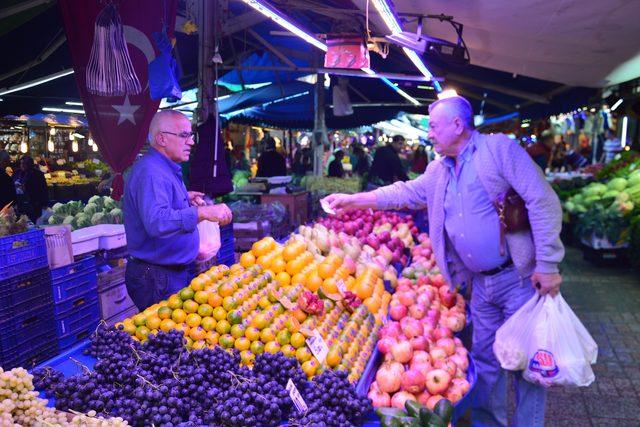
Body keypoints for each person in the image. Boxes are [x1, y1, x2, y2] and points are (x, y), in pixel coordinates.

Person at [324, 96, 563, 427]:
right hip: (480, 284)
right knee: (485, 361)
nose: (429, 133)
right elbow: (404, 193)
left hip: (517, 278)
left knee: (526, 366)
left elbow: (542, 199)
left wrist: (548, 263)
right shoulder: (439, 170)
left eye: (433, 126)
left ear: (457, 125)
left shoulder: (498, 151)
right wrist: (355, 201)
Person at [123, 110, 233, 311]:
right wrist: (202, 213)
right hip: (157, 276)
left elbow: (160, 207)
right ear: (161, 139)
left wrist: (183, 197)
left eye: (192, 135)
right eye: (184, 135)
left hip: (165, 273)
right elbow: (157, 222)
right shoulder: (152, 172)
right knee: (165, 339)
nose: (191, 142)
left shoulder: (163, 167)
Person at [13, 156, 48, 222]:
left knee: (34, 220)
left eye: (24, 164)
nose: (22, 165)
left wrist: (44, 203)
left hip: (34, 203)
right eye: (21, 163)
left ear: (30, 164)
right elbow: (12, 186)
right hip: (20, 202)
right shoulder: (17, 173)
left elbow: (44, 189)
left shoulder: (38, 174)